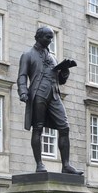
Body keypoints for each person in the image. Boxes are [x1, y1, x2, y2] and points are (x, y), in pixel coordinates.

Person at [17, 26, 83, 175]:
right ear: (38, 37)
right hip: (38, 94)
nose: (50, 40)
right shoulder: (27, 55)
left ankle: (66, 165)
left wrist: (65, 72)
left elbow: (60, 80)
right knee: (38, 128)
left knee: (64, 127)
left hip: (54, 95)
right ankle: (39, 164)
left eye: (51, 37)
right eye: (48, 37)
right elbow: (22, 76)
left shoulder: (53, 57)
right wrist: (23, 91)